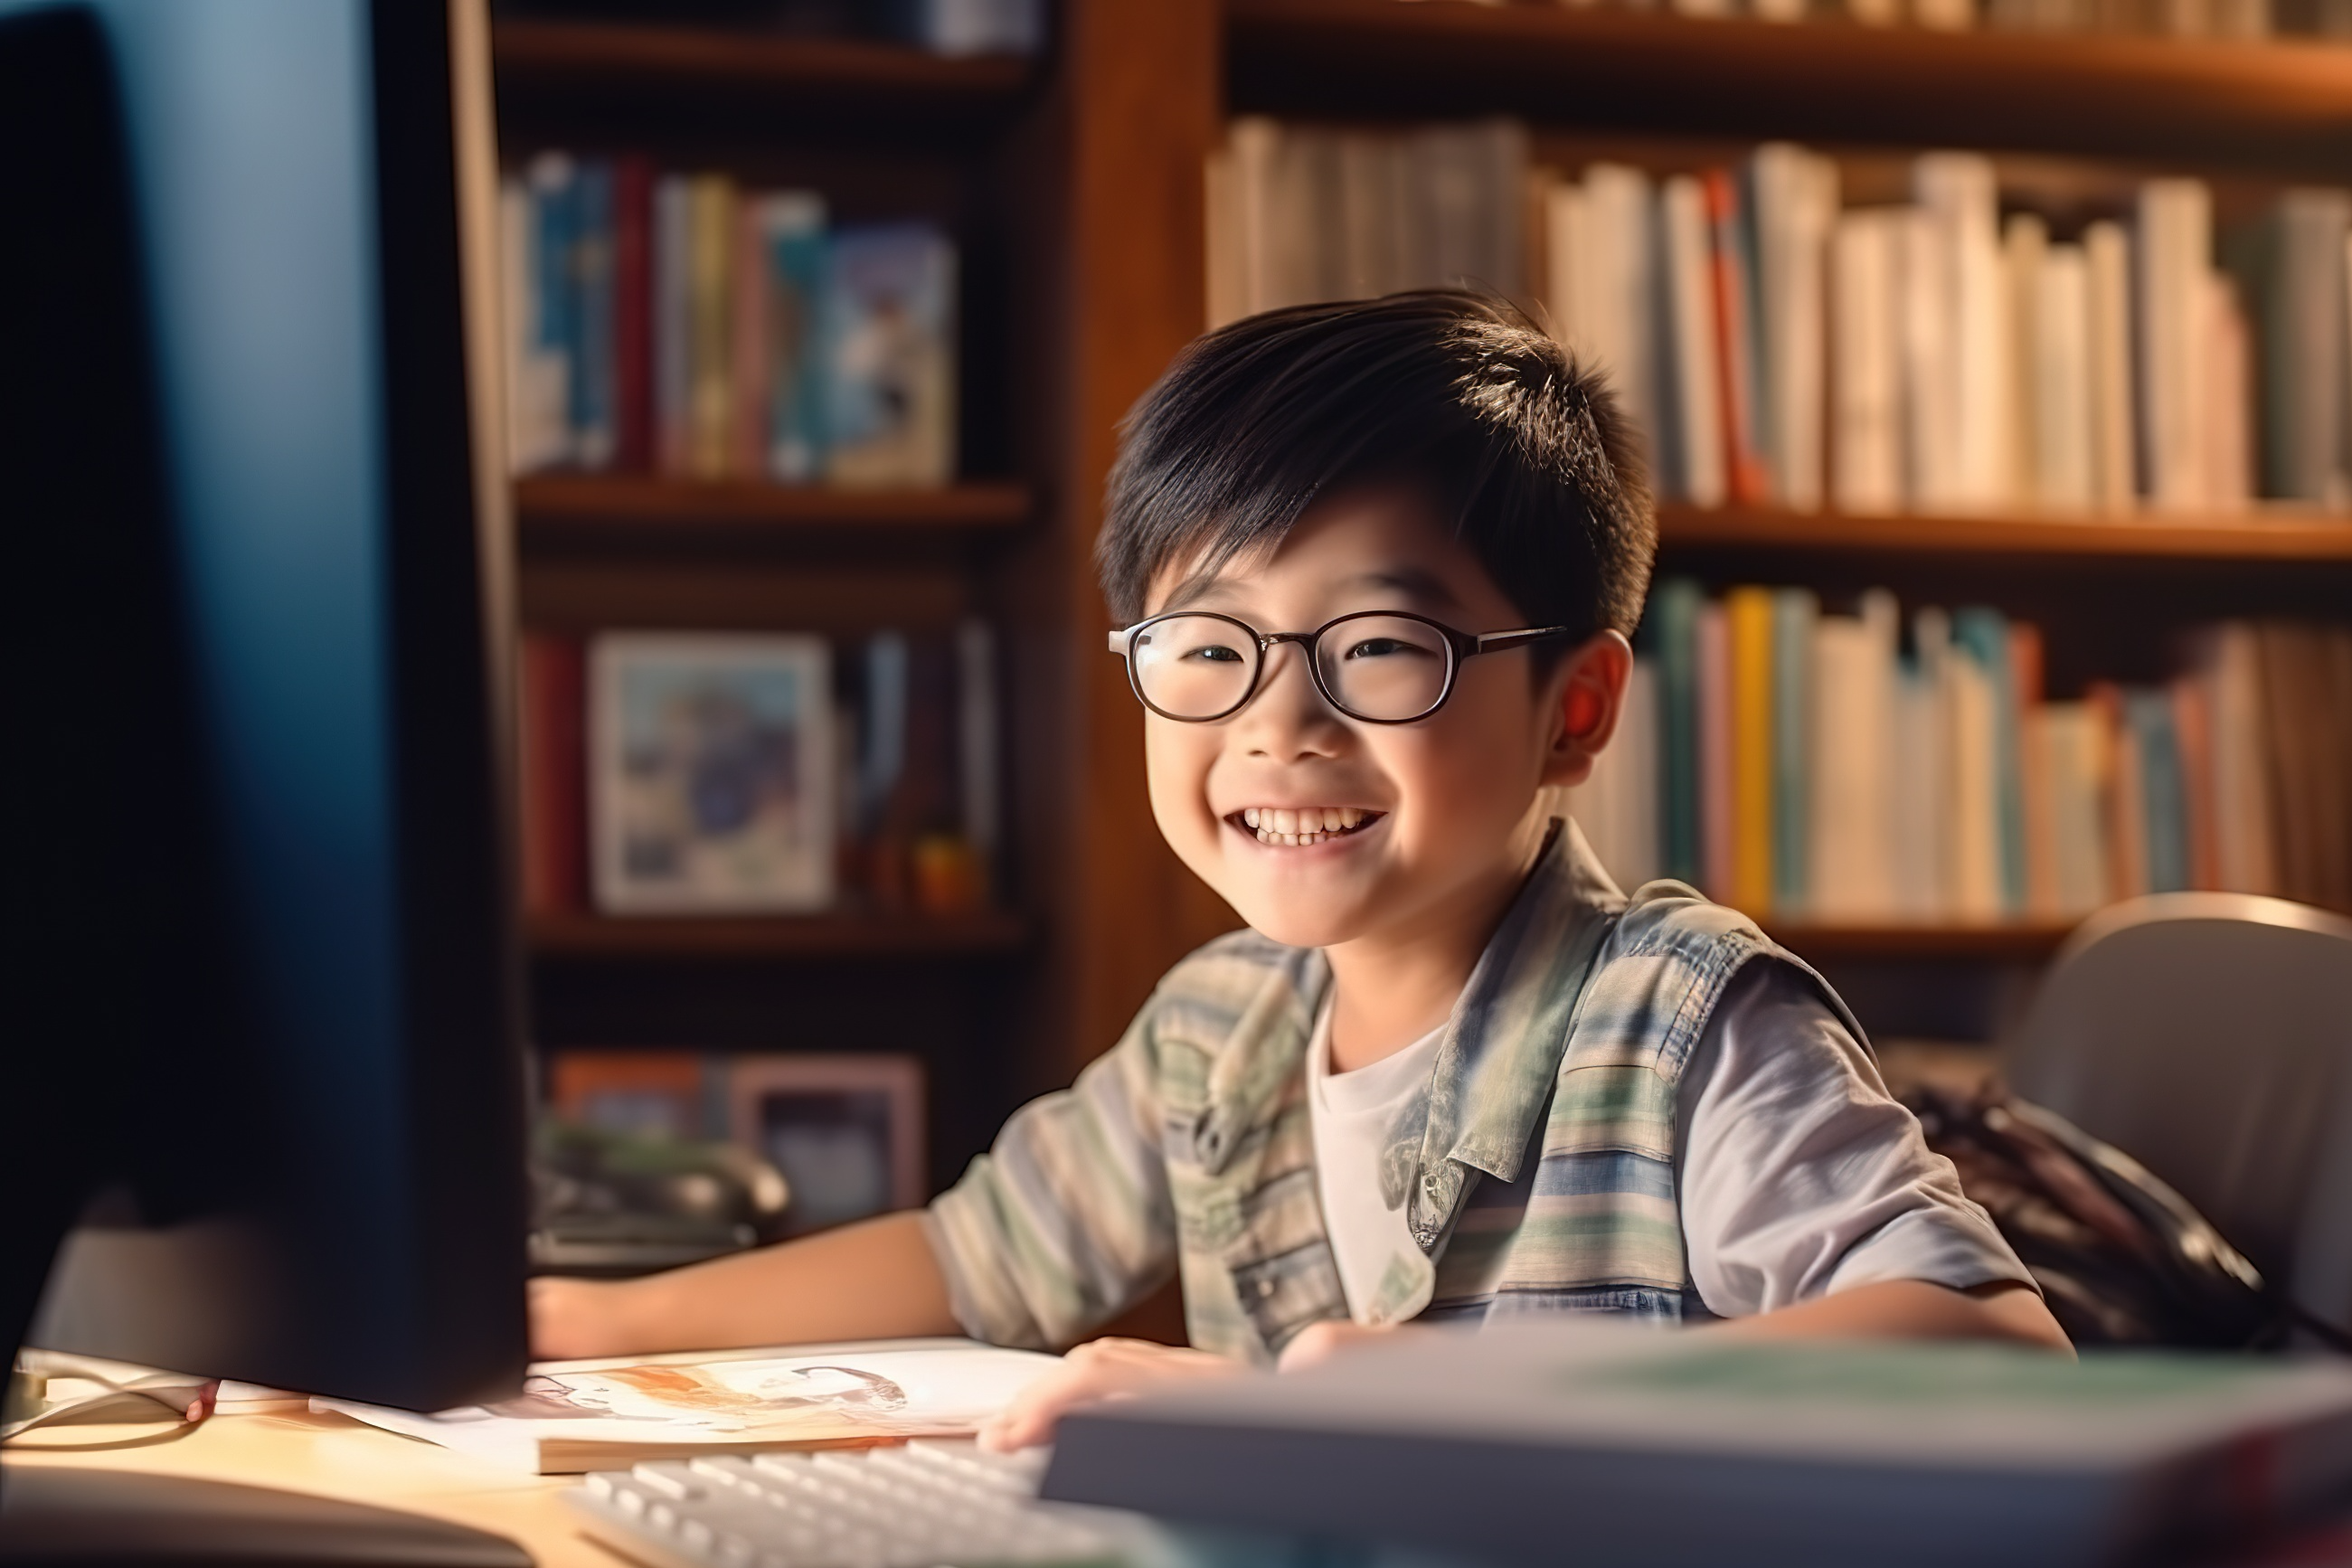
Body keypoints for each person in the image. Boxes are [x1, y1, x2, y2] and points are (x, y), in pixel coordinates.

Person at [532, 291, 2070, 1450]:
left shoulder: (1680, 1023)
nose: (1279, 725)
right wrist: (602, 1322)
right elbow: (970, 1260)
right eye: (1208, 647)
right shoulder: (1221, 1027)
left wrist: (1406, 1392)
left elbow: (1995, 1347)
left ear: (1575, 711)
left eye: (1382, 648)